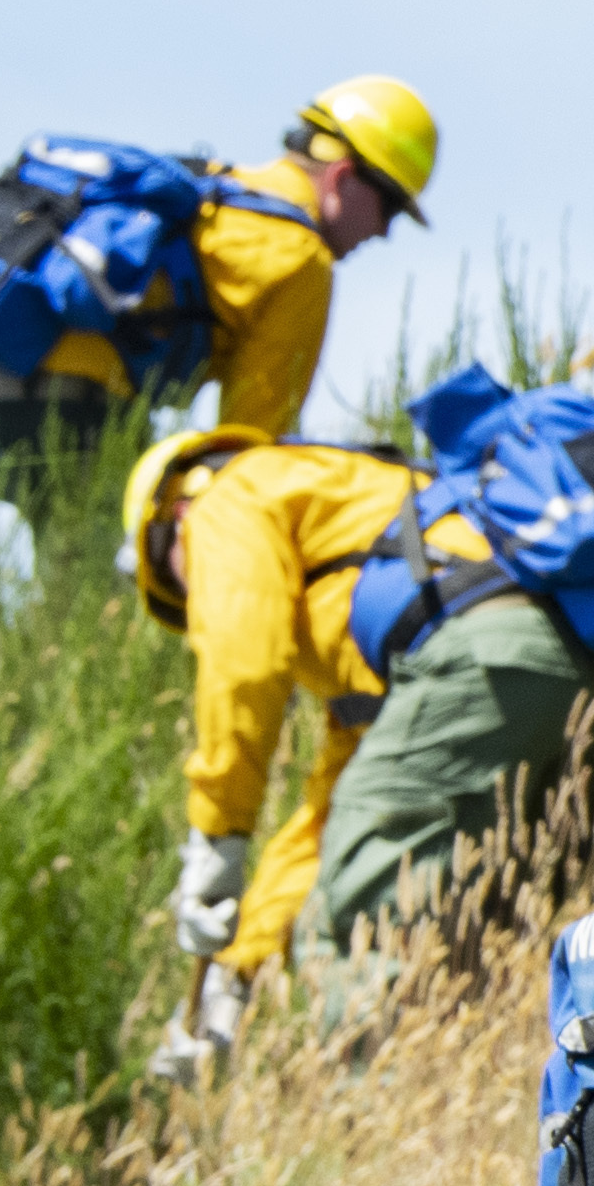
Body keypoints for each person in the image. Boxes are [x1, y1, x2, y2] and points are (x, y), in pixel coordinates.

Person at [0, 81, 433, 518]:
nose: (383, 233)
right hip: (71, 405)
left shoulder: (216, 187)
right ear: (343, 178)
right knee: (118, 578)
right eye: (389, 207)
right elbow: (250, 451)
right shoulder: (300, 259)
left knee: (80, 554)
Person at [126, 420, 424, 1055]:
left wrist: (218, 834)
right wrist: (239, 966)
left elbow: (243, 666)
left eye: (180, 584)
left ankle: (375, 1101)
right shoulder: (353, 566)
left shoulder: (226, 501)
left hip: (469, 661)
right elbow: (330, 818)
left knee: (343, 917)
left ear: (174, 517)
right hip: (552, 662)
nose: (196, 599)